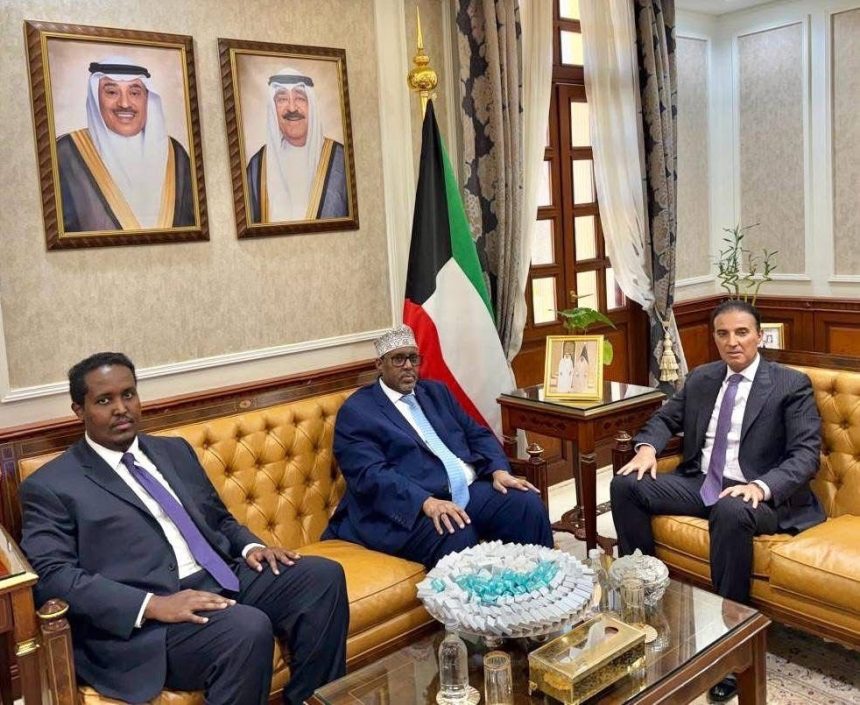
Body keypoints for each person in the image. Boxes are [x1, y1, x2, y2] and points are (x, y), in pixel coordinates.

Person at [19, 352, 348, 705]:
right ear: (79, 410)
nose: (121, 408)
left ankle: (312, 700)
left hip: (221, 575)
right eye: (104, 400)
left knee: (322, 576)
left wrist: (253, 547)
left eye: (128, 394)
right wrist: (152, 604)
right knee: (246, 629)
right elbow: (52, 576)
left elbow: (218, 518)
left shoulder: (173, 451)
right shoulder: (52, 485)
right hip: (151, 620)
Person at [610, 300, 822, 703]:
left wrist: (761, 486)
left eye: (742, 332)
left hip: (759, 496)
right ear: (714, 338)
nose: (732, 342)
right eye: (723, 334)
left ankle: (730, 645)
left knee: (730, 508)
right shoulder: (703, 378)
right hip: (701, 482)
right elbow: (663, 419)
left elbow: (805, 455)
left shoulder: (790, 385)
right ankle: (646, 605)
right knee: (626, 485)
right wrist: (647, 448)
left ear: (759, 336)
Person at [323, 325, 553, 568]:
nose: (408, 366)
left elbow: (476, 434)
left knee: (526, 504)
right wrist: (426, 502)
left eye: (413, 358)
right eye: (398, 359)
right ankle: (479, 595)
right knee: (454, 529)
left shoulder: (436, 392)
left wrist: (498, 470)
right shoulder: (359, 411)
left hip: (464, 490)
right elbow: (371, 475)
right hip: (408, 506)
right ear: (379, 364)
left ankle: (544, 586)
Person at [56, 57, 196, 232]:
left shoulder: (175, 153)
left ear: (147, 98)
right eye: (112, 92)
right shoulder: (65, 153)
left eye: (134, 93)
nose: (124, 103)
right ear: (96, 99)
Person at [246, 67, 348, 223]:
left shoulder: (341, 160)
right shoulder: (257, 167)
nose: (292, 108)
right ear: (273, 109)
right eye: (282, 99)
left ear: (311, 105)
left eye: (300, 98)